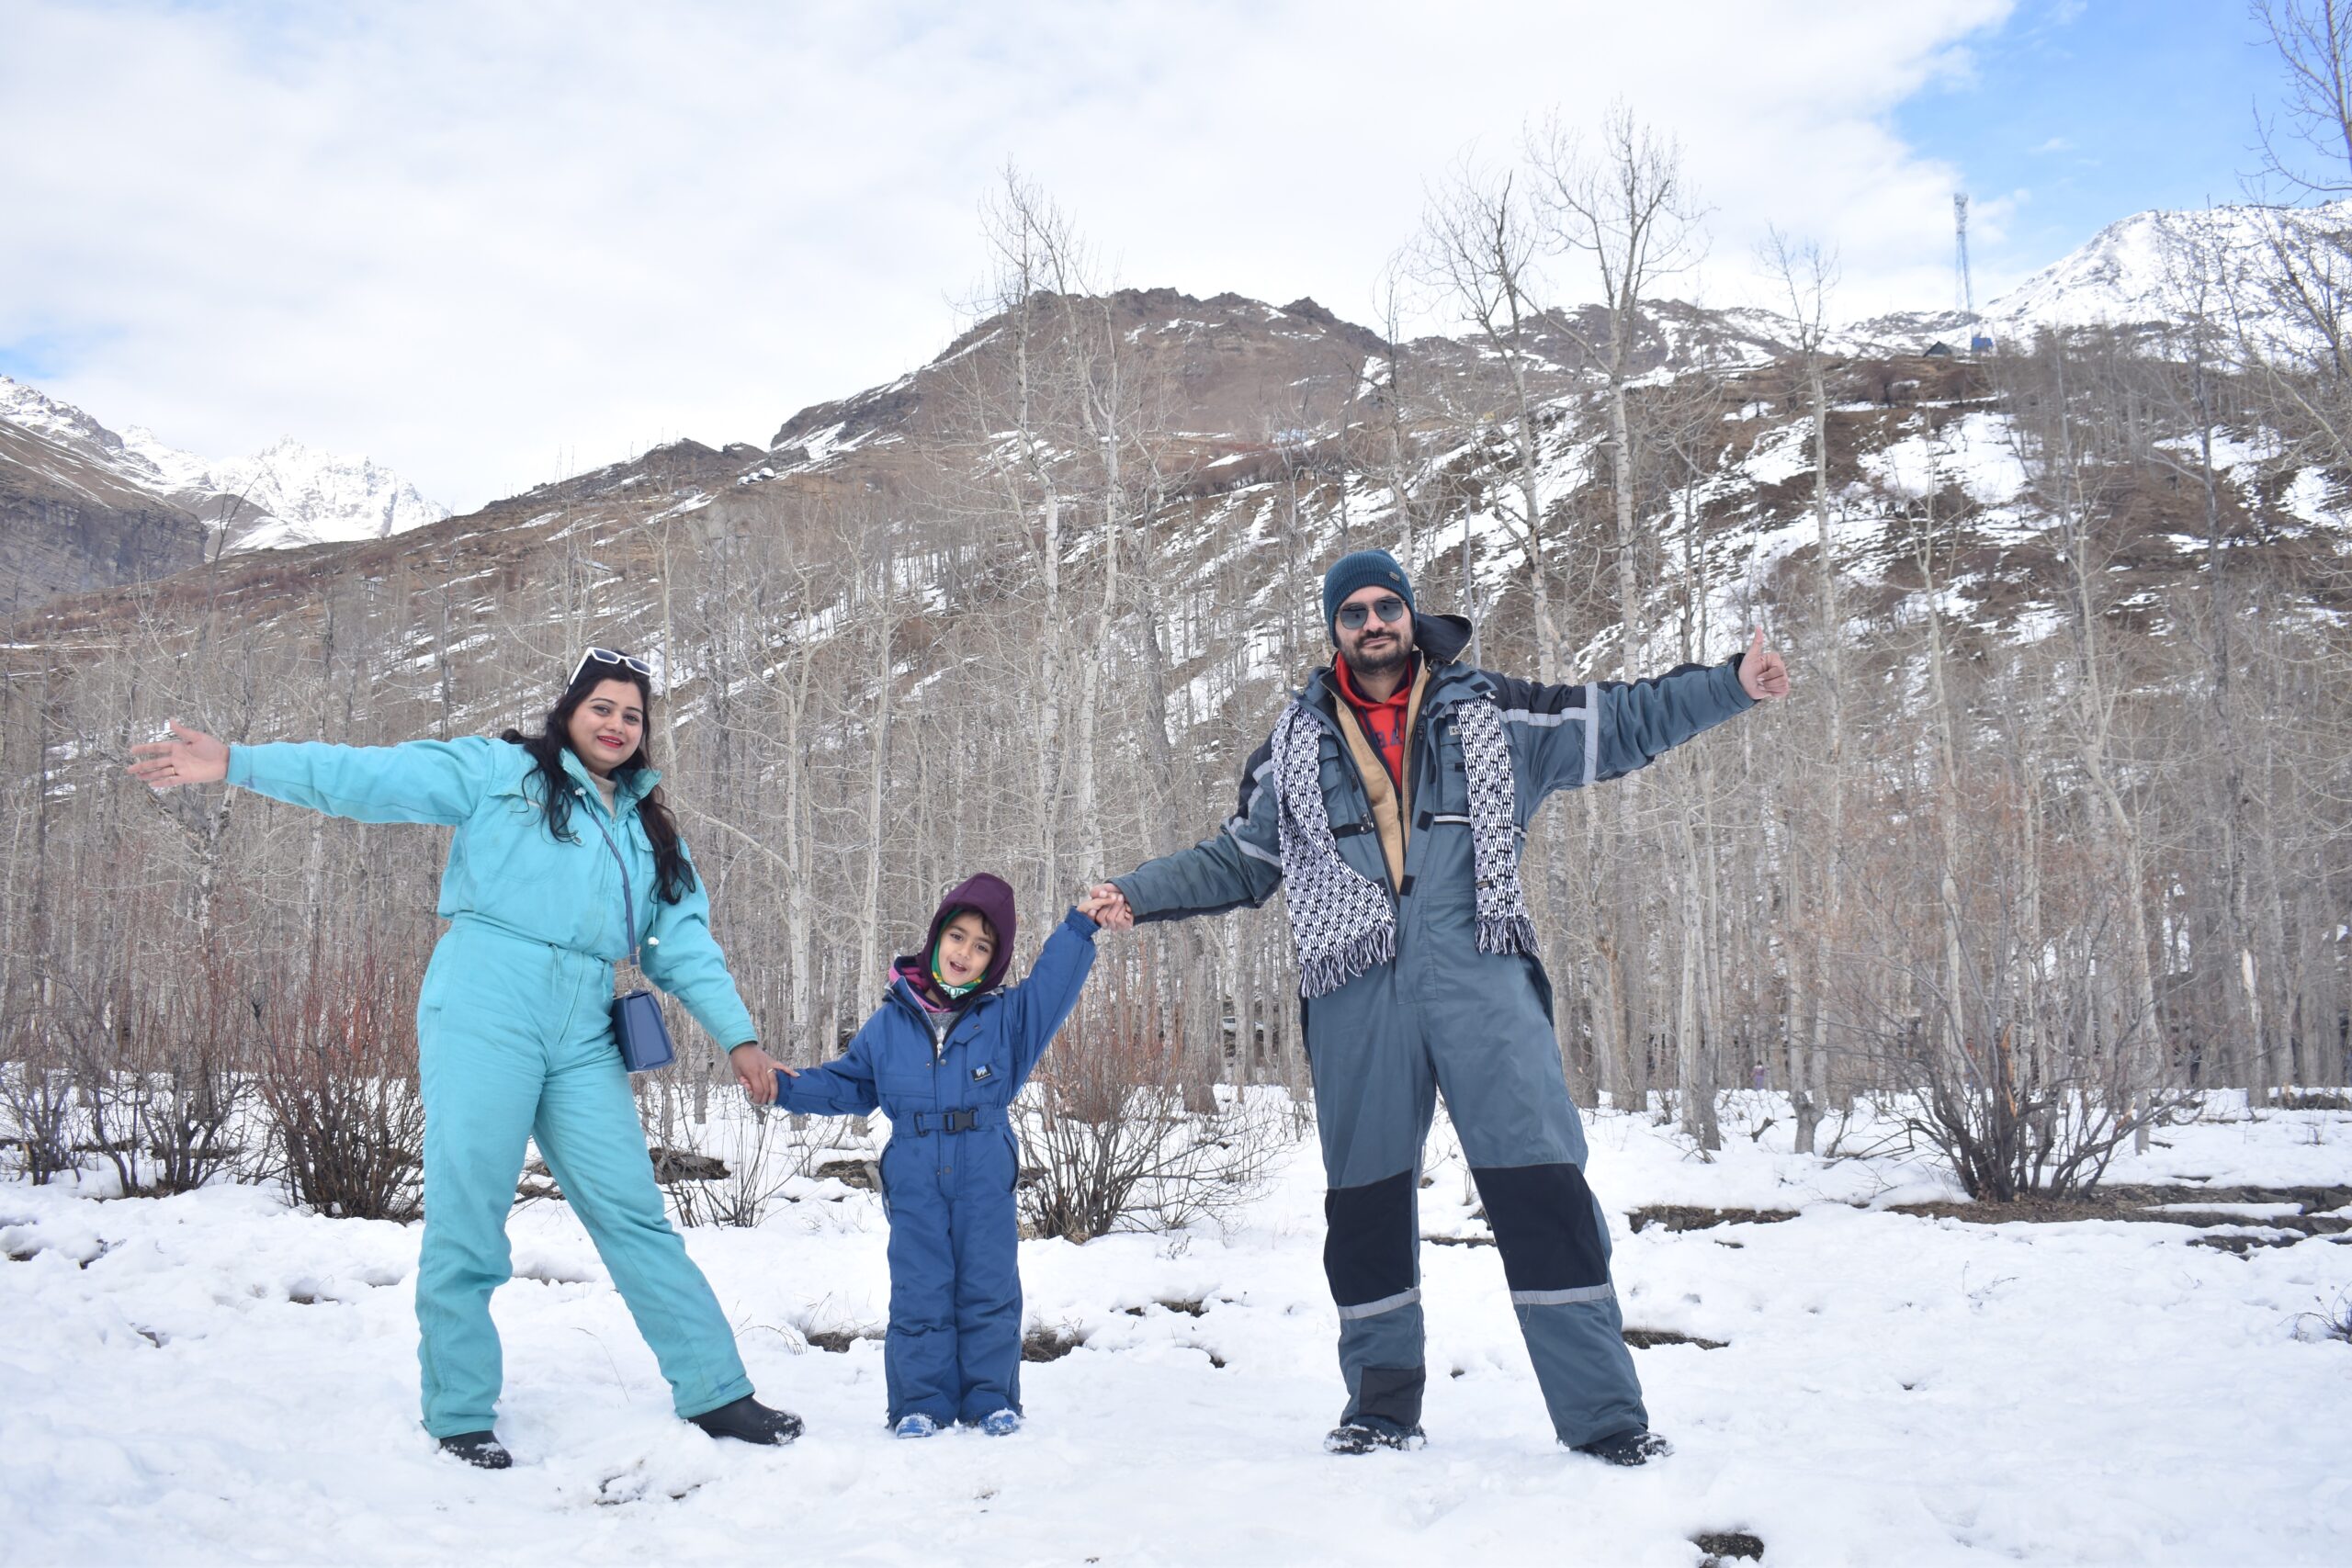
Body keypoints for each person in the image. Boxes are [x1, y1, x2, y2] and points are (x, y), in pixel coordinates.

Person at [1088, 549, 1789, 1465]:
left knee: (1543, 1193)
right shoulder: (1290, 746)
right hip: (1355, 990)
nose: (1373, 622)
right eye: (1354, 612)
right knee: (1366, 1207)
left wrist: (1731, 684)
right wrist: (1134, 893)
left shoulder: (1495, 711)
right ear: (1334, 629)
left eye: (1387, 606)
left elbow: (1621, 720)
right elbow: (1239, 861)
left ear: (1411, 617)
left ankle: (1605, 1420)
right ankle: (1380, 1408)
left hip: (1481, 976)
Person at [128, 649, 802, 1470]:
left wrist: (738, 1035)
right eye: (602, 708)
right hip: (487, 993)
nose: (617, 725)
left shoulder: (647, 823)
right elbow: (368, 779)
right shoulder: (499, 770)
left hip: (585, 1018)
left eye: (632, 714)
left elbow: (680, 940)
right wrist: (236, 762)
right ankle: (458, 1409)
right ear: (570, 711)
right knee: (470, 1208)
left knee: (633, 1211)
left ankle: (716, 1389)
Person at [732, 874, 1097, 1438]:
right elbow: (847, 1085)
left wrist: (1082, 924)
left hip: (983, 1168)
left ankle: (991, 1398)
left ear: (992, 963)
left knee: (989, 1287)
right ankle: (919, 1404)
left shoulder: (1008, 1020)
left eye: (982, 947)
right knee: (920, 1289)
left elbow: (1055, 982)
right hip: (915, 1172)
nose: (965, 953)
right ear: (935, 938)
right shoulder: (889, 1024)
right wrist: (784, 1087)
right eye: (958, 936)